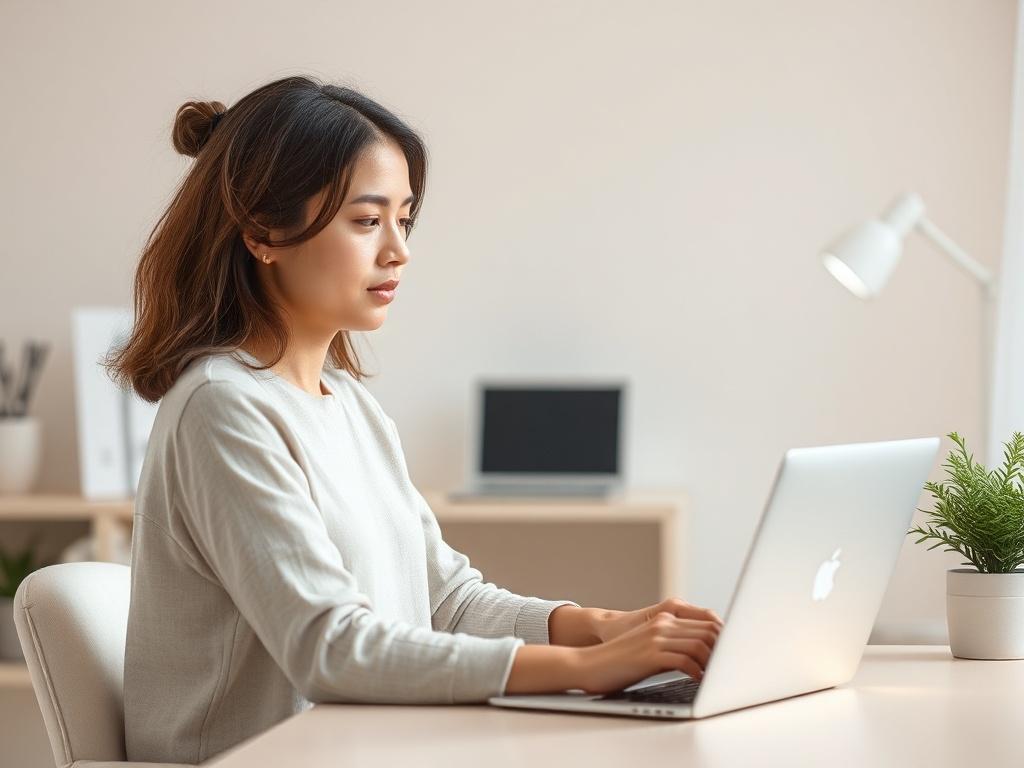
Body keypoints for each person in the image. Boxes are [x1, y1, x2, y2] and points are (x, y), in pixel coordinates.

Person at [105, 74, 723, 765]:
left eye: (405, 219)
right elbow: (330, 648)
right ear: (261, 232)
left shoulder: (349, 406)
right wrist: (582, 672)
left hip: (369, 746)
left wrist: (598, 628)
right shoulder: (222, 407)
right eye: (367, 221)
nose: (398, 250)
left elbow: (447, 601)